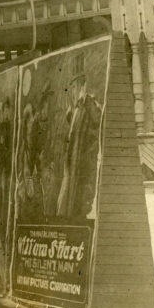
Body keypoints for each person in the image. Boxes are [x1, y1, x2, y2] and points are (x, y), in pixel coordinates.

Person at [56, 62, 103, 219]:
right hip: (70, 163)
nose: (73, 91)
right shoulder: (75, 109)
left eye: (75, 87)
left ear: (82, 86)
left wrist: (86, 99)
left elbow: (97, 121)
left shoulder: (89, 104)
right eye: (72, 88)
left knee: (78, 203)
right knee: (64, 202)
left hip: (82, 165)